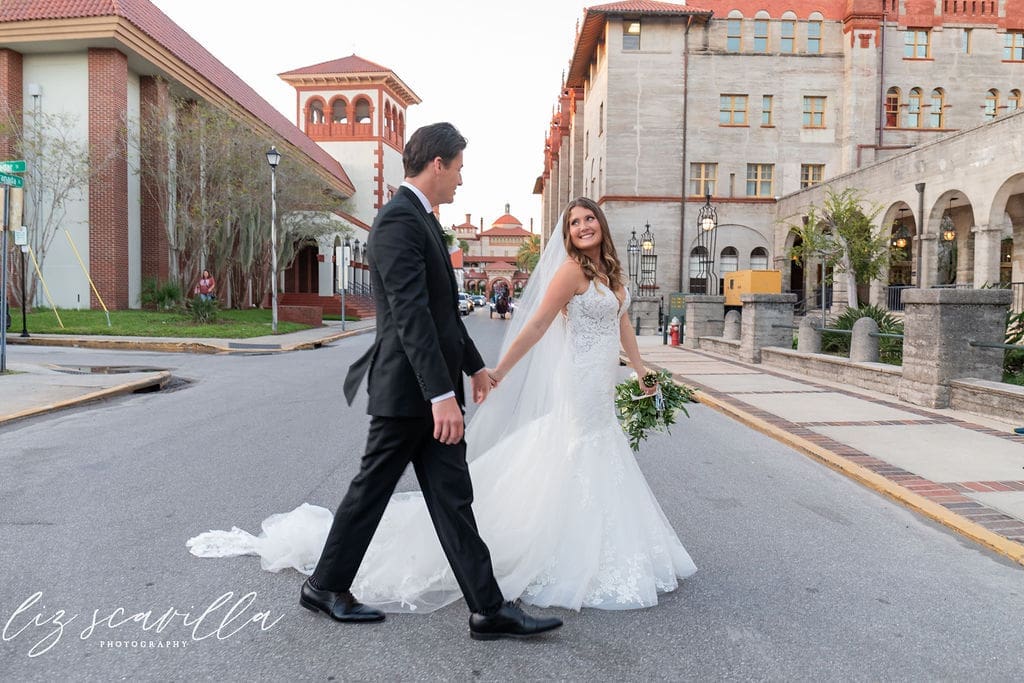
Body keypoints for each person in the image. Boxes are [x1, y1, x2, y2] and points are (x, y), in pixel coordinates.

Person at [188, 195, 695, 616]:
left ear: (602, 227)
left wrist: (642, 367)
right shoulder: (570, 273)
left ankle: (588, 553)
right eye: (574, 222)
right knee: (575, 454)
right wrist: (495, 370)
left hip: (601, 382)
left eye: (589, 220)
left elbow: (622, 324)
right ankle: (544, 565)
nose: (583, 226)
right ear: (567, 233)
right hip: (576, 382)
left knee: (595, 452)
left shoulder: (609, 273)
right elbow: (536, 325)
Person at [190, 122, 561, 641]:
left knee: (452, 498)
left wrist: (474, 366)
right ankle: (326, 587)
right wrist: (441, 395)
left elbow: (443, 313)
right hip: (409, 393)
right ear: (438, 164)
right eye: (458, 169)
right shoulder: (397, 223)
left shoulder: (425, 221)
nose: (460, 180)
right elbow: (411, 318)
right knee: (371, 493)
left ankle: (487, 608)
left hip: (426, 393)